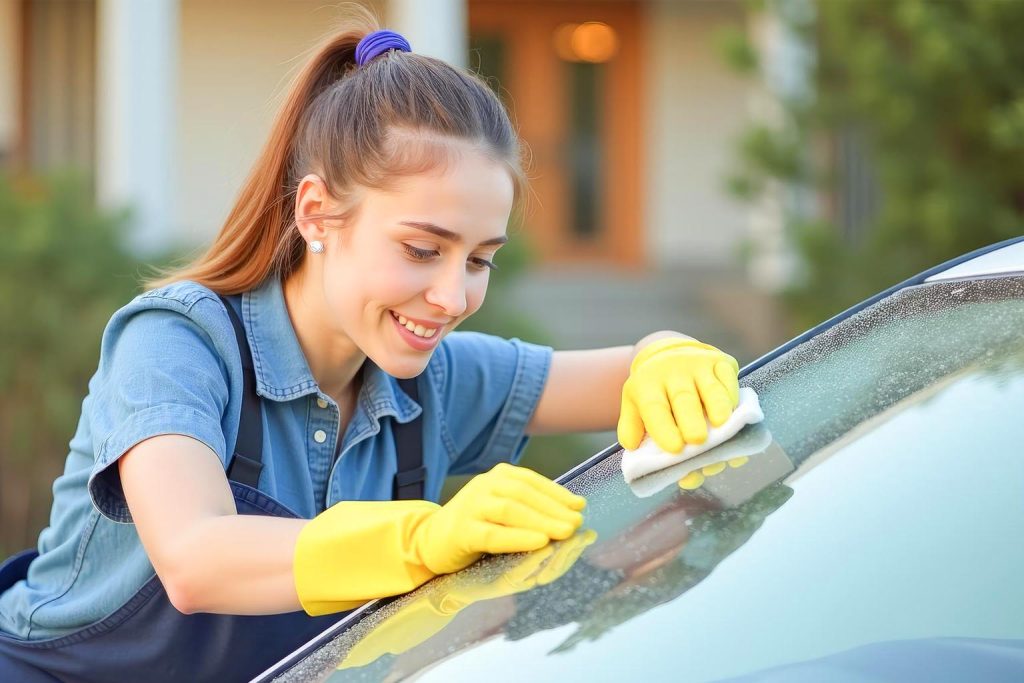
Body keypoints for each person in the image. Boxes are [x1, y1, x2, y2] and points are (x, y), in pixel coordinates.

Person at [0, 12, 741, 682]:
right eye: (423, 248)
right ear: (318, 213)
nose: (453, 298)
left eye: (480, 259)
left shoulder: (430, 383)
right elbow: (195, 557)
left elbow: (630, 376)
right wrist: (427, 536)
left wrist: (667, 352)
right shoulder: (177, 340)